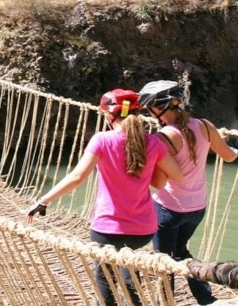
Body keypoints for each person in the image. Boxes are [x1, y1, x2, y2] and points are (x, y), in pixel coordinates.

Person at [27, 89, 183, 306]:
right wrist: (149, 168)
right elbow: (175, 176)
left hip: (108, 230)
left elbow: (77, 177)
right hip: (143, 231)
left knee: (105, 281)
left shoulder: (101, 140)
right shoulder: (153, 143)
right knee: (129, 271)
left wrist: (43, 201)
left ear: (110, 115)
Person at [139, 80, 238, 306]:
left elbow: (160, 182)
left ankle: (165, 303)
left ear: (156, 109)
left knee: (163, 262)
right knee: (180, 250)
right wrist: (235, 149)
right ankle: (205, 298)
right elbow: (229, 156)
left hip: (168, 209)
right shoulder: (205, 126)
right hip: (197, 208)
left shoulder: (163, 138)